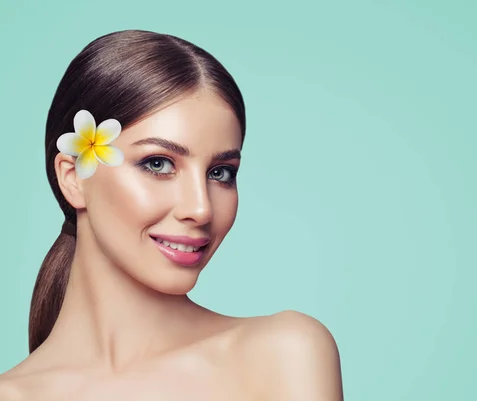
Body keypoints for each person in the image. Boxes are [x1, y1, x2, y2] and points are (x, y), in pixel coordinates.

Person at [0, 29, 343, 400]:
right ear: (74, 178)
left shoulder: (283, 354)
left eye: (220, 172)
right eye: (158, 163)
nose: (201, 208)